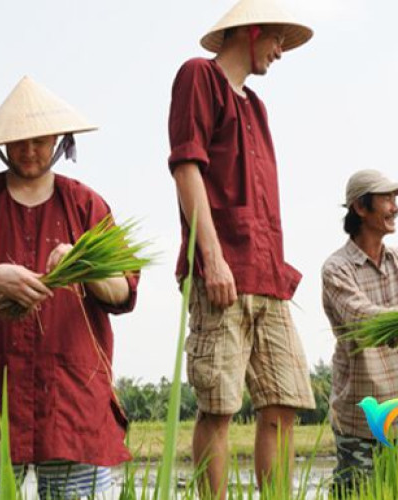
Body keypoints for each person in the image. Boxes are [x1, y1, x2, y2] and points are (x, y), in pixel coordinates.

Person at [0, 76, 138, 500]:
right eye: (19, 142)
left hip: (72, 399)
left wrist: (82, 266)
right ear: (2, 144)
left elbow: (123, 291)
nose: (29, 151)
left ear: (59, 141)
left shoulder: (86, 204)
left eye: (40, 141)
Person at [167, 0, 315, 496]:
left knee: (283, 403)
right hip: (223, 269)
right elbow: (187, 167)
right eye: (277, 39)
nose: (279, 51)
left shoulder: (255, 106)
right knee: (219, 405)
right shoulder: (198, 77)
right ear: (251, 32)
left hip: (267, 273)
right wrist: (211, 258)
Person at [322, 169, 398, 494]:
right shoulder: (337, 269)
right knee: (357, 493)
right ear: (360, 207)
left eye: (395, 198)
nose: (394, 206)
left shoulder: (396, 261)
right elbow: (364, 320)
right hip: (360, 416)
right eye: (386, 199)